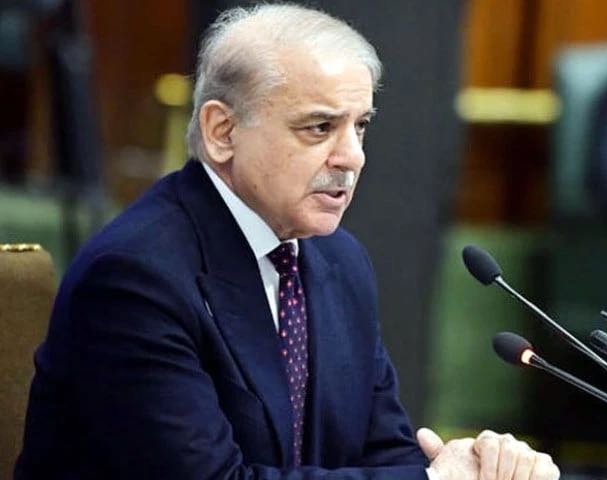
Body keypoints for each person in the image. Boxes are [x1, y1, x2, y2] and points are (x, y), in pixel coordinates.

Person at [15, 4, 560, 480]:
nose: (352, 157)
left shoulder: (338, 260)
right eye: (319, 128)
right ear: (222, 132)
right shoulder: (136, 278)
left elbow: (383, 452)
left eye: (360, 126)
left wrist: (470, 466)